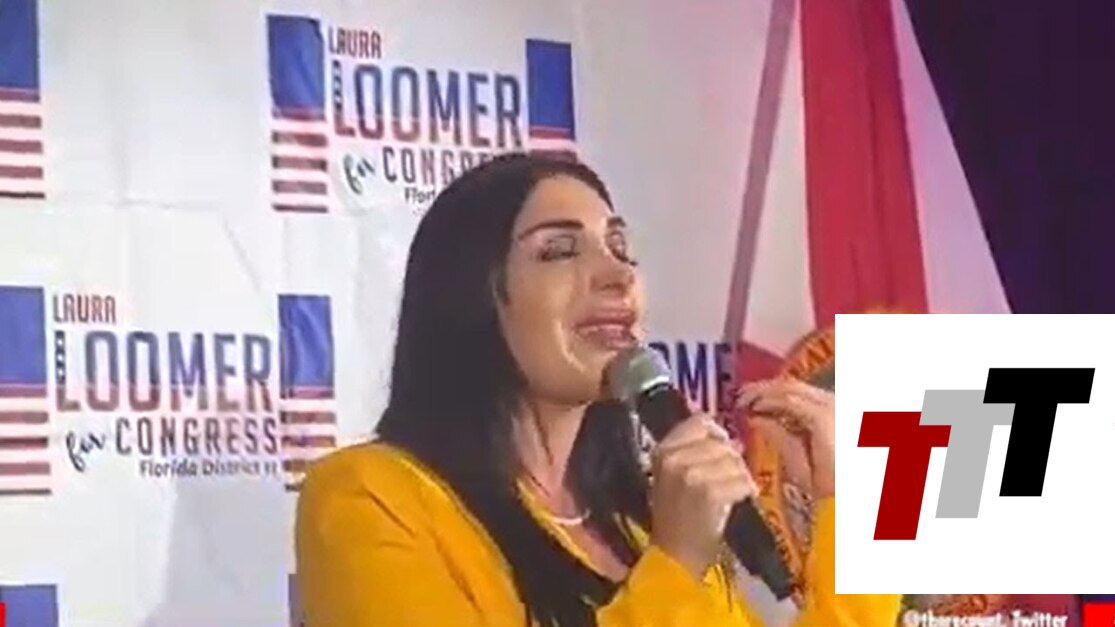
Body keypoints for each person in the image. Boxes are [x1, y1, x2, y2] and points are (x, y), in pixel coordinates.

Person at [294, 153, 901, 626]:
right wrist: (675, 563)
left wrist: (852, 511)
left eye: (620, 248)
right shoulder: (369, 496)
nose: (617, 275)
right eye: (559, 251)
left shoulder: (644, 519)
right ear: (472, 297)